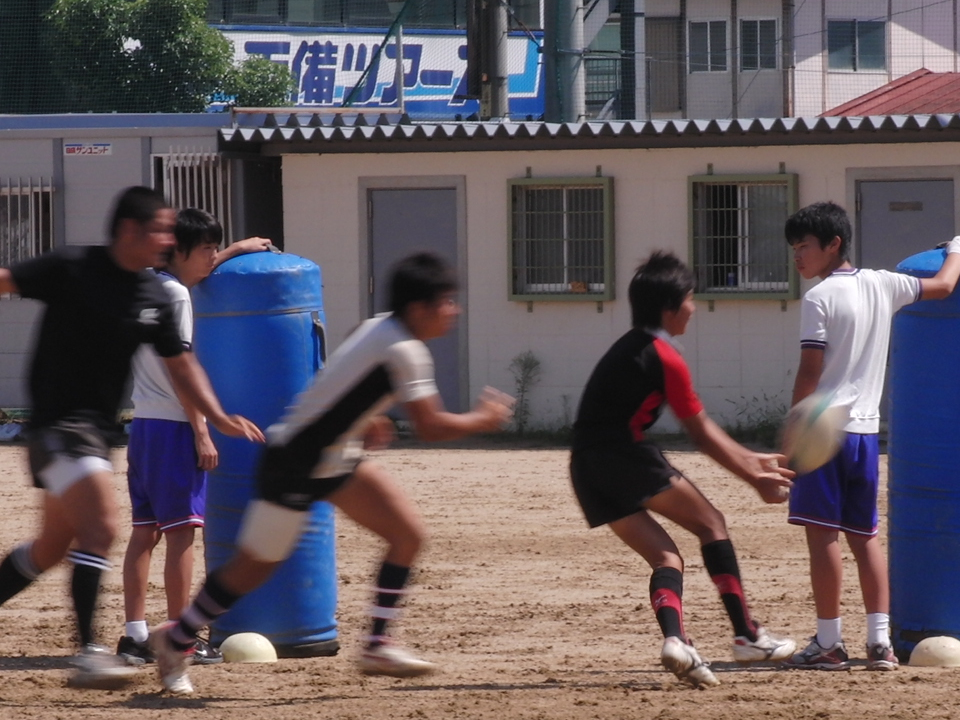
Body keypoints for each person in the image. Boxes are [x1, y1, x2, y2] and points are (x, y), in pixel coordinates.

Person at [149, 250, 514, 695]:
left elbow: (348, 368)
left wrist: (368, 416)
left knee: (407, 535)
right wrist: (483, 418)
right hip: (296, 462)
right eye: (447, 302)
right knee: (253, 568)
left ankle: (378, 645)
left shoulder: (379, 326)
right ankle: (177, 638)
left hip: (333, 458)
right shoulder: (407, 351)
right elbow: (430, 426)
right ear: (419, 308)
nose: (454, 311)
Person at [0, 186, 264, 690]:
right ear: (128, 231)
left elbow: (182, 366)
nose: (168, 240)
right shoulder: (73, 267)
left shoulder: (154, 295)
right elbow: (6, 280)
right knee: (102, 526)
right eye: (160, 231)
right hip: (57, 426)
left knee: (49, 549)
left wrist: (217, 417)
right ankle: (90, 653)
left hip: (97, 433)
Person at [569, 251, 797, 689]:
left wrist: (752, 460)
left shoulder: (630, 346)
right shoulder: (664, 355)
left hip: (585, 468)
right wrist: (754, 478)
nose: (693, 308)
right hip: (625, 456)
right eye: (689, 299)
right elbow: (701, 432)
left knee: (665, 557)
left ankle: (677, 642)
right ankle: (747, 636)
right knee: (711, 524)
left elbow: (702, 430)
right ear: (669, 308)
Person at [780, 202, 960, 672]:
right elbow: (944, 286)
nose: (797, 256)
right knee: (865, 537)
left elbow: (809, 373)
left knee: (823, 538)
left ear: (833, 244)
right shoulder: (884, 283)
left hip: (823, 433)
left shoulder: (819, 298)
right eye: (794, 248)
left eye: (804, 246)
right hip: (864, 435)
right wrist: (957, 248)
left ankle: (828, 642)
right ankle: (880, 643)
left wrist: (791, 440)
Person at [116, 208, 273, 666]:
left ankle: (134, 636)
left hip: (143, 427)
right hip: (175, 428)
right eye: (206, 249)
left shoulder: (145, 285)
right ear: (179, 251)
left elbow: (184, 270)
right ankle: (181, 635)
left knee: (144, 534)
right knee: (183, 536)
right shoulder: (179, 298)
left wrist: (233, 250)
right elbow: (180, 370)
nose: (210, 258)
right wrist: (203, 432)